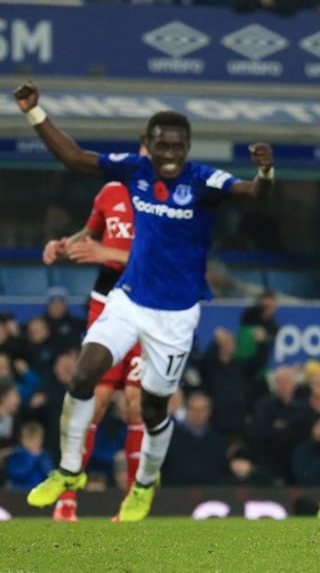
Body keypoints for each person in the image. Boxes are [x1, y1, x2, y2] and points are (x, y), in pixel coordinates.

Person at [15, 80, 274, 522]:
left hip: (174, 316)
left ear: (187, 146)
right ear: (149, 146)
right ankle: (69, 472)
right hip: (127, 300)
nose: (169, 152)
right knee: (83, 376)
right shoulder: (134, 170)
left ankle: (145, 485)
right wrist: (33, 113)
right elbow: (75, 158)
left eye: (177, 145)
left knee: (153, 409)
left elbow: (253, 195)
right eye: (161, 145)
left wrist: (265, 174)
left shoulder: (204, 179)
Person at [41, 142, 146, 521]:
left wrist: (108, 254)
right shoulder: (110, 192)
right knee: (95, 400)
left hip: (148, 308)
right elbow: (90, 232)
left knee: (137, 404)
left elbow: (161, 258)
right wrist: (63, 245)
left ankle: (133, 503)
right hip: (106, 302)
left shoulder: (168, 202)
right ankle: (67, 499)